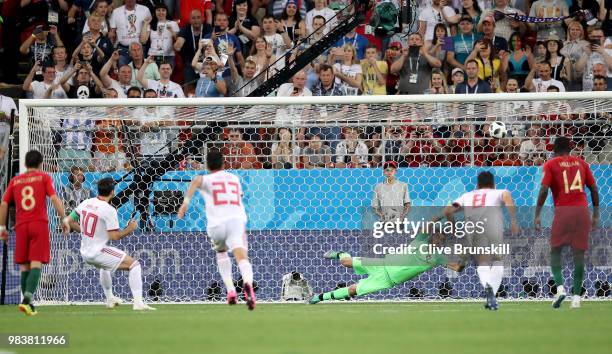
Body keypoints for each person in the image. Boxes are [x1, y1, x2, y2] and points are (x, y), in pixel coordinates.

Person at [177, 150, 256, 310]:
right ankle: (247, 284)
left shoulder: (205, 179)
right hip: (236, 220)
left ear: (207, 165)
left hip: (216, 224)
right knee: (241, 255)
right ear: (223, 163)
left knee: (221, 253)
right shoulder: (234, 178)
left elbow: (196, 181)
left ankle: (231, 290)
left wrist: (185, 203)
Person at [63, 178, 156, 311]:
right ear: (112, 192)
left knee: (104, 267)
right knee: (135, 265)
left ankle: (110, 299)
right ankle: (138, 303)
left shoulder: (86, 203)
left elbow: (70, 221)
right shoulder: (109, 210)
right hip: (98, 251)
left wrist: (86, 231)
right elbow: (115, 236)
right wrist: (130, 229)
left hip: (85, 251)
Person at [309, 231, 464, 304]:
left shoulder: (437, 257)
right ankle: (340, 253)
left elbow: (457, 267)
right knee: (346, 262)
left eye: (442, 239)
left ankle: (319, 298)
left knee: (352, 291)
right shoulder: (420, 241)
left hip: (387, 280)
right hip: (381, 264)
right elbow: (430, 222)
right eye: (437, 236)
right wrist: (444, 213)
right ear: (432, 236)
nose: (438, 240)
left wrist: (465, 257)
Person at [0, 150, 68, 316]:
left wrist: (2, 227)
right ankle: (26, 300)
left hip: (21, 225)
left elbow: (3, 203)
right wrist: (64, 219)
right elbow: (54, 199)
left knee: (24, 266)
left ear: (25, 163)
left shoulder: (15, 180)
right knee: (36, 263)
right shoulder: (44, 177)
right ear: (40, 164)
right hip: (39, 224)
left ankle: (28, 304)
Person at [534, 137, 599, 309]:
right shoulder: (582, 164)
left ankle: (561, 288)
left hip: (563, 212)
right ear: (570, 149)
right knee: (578, 255)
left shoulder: (551, 164)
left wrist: (538, 213)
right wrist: (596, 214)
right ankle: (576, 297)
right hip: (582, 211)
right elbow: (593, 188)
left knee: (555, 251)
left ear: (555, 149)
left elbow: (543, 189)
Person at [443, 171, 519, 310]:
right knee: (497, 260)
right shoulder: (499, 192)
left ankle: (489, 293)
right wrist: (513, 220)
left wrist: (452, 227)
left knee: (482, 261)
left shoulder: (467, 196)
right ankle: (492, 295)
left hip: (474, 230)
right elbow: (507, 197)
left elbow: (448, 211)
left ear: (477, 185)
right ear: (493, 183)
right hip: (493, 226)